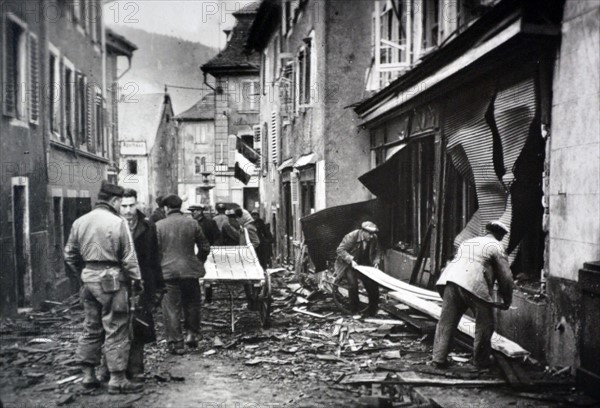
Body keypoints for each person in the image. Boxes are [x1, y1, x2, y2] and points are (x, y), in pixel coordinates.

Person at [64, 181, 143, 394]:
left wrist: (84, 274)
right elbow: (128, 257)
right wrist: (137, 280)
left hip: (88, 279)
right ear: (115, 200)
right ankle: (117, 379)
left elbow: (69, 255)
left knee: (91, 326)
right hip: (112, 281)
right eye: (120, 203)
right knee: (116, 327)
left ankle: (88, 375)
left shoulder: (80, 222)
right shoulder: (118, 223)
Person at [431, 220, 514, 370]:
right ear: (501, 235)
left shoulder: (468, 242)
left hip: (451, 280)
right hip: (474, 284)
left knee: (446, 321)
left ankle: (438, 358)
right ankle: (481, 361)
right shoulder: (497, 246)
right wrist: (507, 299)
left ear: (487, 230)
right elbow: (506, 276)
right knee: (485, 323)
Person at [156, 194, 211, 355]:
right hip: (190, 271)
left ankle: (176, 343)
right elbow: (205, 246)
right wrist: (198, 261)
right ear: (180, 207)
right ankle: (191, 334)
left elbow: (155, 251)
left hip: (168, 273)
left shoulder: (159, 226)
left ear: (166, 208)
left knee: (171, 308)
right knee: (192, 303)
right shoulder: (192, 223)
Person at [119, 188, 165, 378]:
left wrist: (159, 286)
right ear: (118, 206)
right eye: (124, 206)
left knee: (139, 325)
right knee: (116, 326)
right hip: (119, 283)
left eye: (131, 205)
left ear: (137, 203)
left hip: (142, 283)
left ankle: (136, 368)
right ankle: (115, 369)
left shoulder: (147, 226)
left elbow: (154, 258)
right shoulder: (112, 225)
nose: (128, 210)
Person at [334, 221, 382, 317]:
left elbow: (378, 251)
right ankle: (354, 311)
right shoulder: (352, 236)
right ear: (363, 231)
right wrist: (351, 260)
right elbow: (340, 250)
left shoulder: (374, 238)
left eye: (373, 234)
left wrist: (376, 262)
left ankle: (372, 311)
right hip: (349, 264)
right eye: (370, 233)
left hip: (364, 264)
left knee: (373, 285)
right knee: (353, 285)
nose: (372, 236)